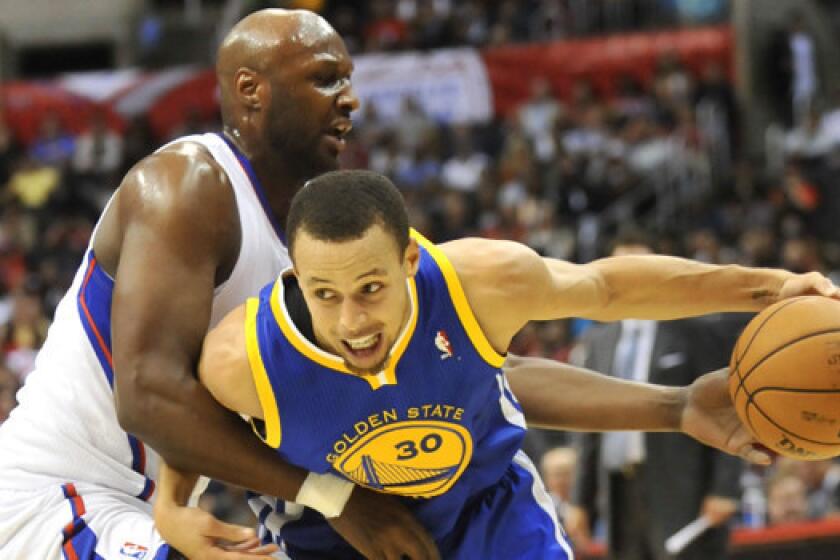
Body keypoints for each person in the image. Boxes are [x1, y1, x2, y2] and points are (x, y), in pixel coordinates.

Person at [154, 169, 838, 559]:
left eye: (371, 290)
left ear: (411, 260)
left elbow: (610, 288)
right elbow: (190, 423)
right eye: (325, 295)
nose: (351, 321)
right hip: (333, 541)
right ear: (297, 278)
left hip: (487, 508)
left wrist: (770, 287)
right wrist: (169, 506)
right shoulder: (242, 358)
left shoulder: (477, 283)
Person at [0, 8, 451, 560]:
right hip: (53, 499)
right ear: (250, 90)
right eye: (325, 78)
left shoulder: (310, 244)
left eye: (348, 81)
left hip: (145, 511)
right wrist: (339, 500)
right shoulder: (189, 185)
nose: (349, 99)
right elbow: (147, 395)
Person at [569, 230, 741, 560]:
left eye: (640, 266)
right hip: (619, 489)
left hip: (682, 487)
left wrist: (725, 488)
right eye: (620, 268)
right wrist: (580, 499)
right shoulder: (597, 340)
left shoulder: (694, 330)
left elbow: (725, 407)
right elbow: (587, 425)